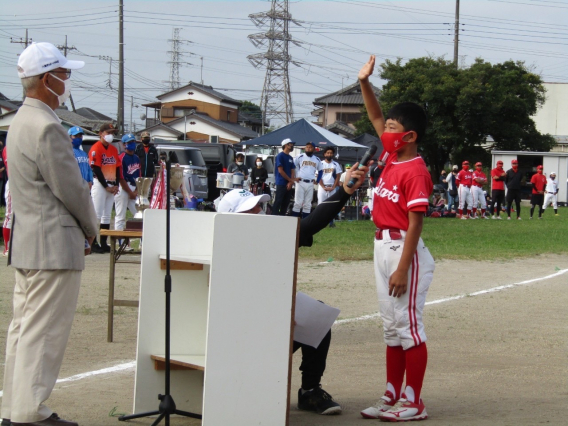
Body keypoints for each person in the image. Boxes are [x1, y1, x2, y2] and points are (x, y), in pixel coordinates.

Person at [218, 160, 370, 416]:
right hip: (232, 338)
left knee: (318, 317)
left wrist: (344, 191)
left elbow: (311, 224)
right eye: (251, 209)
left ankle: (310, 391)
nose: (260, 212)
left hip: (267, 329)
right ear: (230, 218)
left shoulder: (271, 237)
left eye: (259, 206)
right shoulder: (218, 247)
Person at [2, 41, 98, 426]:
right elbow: (72, 189)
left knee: (23, 330)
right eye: (64, 74)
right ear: (47, 79)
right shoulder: (47, 126)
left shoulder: (19, 122)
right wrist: (92, 230)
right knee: (44, 333)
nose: (68, 80)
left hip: (28, 240)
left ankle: (15, 408)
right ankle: (29, 412)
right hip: (54, 244)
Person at [358, 55, 434, 422]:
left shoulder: (415, 170)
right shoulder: (391, 156)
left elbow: (416, 223)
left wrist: (403, 267)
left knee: (408, 327)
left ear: (410, 136)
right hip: (380, 245)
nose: (383, 129)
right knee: (390, 326)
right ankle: (392, 394)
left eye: (392, 126)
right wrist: (364, 84)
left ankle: (414, 401)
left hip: (404, 249)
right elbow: (374, 115)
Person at [89, 123, 122, 253]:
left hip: (111, 183)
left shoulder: (113, 149)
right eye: (108, 132)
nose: (110, 135)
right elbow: (96, 168)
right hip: (100, 184)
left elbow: (118, 167)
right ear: (101, 133)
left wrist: (116, 185)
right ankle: (93, 242)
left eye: (112, 133)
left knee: (107, 215)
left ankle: (103, 242)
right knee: (96, 214)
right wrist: (106, 186)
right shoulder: (96, 148)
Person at [114, 134, 139, 237]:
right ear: (124, 145)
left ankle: (140, 242)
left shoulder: (136, 158)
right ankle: (119, 242)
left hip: (134, 187)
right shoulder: (121, 157)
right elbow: (120, 177)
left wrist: (136, 191)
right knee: (120, 216)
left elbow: (139, 176)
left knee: (138, 215)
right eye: (129, 142)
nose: (132, 144)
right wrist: (130, 192)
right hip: (123, 188)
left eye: (133, 142)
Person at [292, 142, 320, 218]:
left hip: (310, 182)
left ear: (314, 149)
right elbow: (293, 167)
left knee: (308, 204)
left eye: (310, 147)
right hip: (300, 181)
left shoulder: (317, 159)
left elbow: (320, 170)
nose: (308, 148)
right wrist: (294, 177)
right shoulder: (299, 156)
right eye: (307, 147)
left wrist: (317, 180)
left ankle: (304, 222)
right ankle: (294, 221)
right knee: (298, 203)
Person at [272, 138, 299, 216]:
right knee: (278, 201)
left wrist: (291, 182)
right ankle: (274, 216)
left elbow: (292, 170)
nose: (292, 146)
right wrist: (290, 180)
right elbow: (280, 170)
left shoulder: (290, 158)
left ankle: (282, 217)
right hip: (281, 182)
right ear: (286, 145)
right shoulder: (280, 156)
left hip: (289, 183)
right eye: (291, 144)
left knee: (286, 202)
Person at [317, 147, 342, 227]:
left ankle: (331, 222)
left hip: (332, 187)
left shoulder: (335, 164)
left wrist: (334, 187)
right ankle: (319, 222)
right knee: (321, 205)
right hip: (322, 187)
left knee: (331, 206)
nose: (329, 154)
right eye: (327, 153)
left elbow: (338, 176)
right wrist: (323, 187)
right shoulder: (320, 164)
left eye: (331, 153)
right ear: (324, 154)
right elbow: (318, 177)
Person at [2, 144, 11, 257]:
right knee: (10, 215)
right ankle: (7, 248)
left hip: (27, 185)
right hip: (14, 183)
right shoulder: (8, 147)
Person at [0, 141, 5, 207]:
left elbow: (4, 164)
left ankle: (1, 204)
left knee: (0, 191)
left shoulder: (2, 154)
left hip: (1, 176)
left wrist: (2, 169)